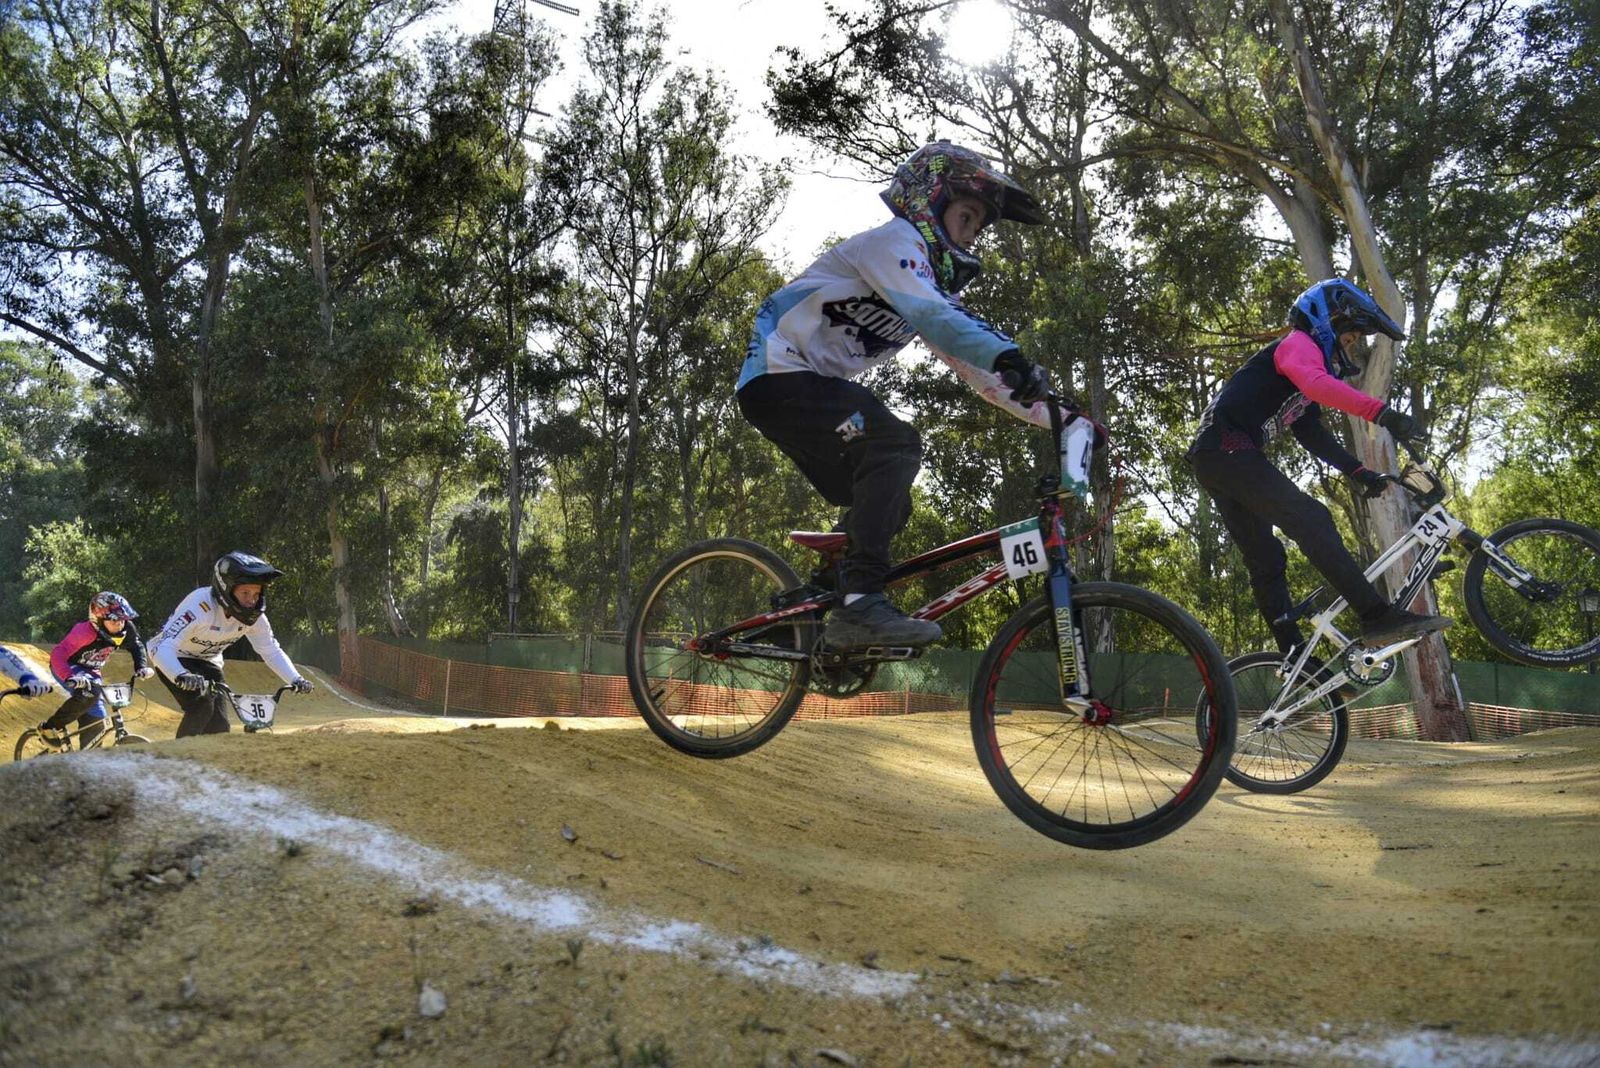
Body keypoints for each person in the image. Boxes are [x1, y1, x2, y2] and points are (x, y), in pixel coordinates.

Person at [737, 140, 1056, 649]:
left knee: (888, 503)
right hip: (779, 376)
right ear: (931, 201)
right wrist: (1008, 353)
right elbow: (937, 317)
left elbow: (977, 370)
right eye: (966, 216)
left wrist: (1061, 416)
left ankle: (805, 613)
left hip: (808, 390)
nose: (970, 235)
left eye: (977, 227)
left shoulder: (928, 283)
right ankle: (861, 603)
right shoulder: (893, 244)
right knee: (894, 444)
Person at [1186, 278, 1452, 655]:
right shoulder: (1296, 344)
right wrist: (1382, 413)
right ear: (1327, 323)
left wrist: (1357, 471)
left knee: (1266, 559)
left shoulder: (1302, 375)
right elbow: (1315, 384)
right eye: (1349, 338)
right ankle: (1375, 615)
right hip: (1227, 449)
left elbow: (1311, 432)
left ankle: (1294, 659)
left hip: (1215, 458)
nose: (1350, 348)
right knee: (1312, 518)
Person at [148, 551, 314, 737]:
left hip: (209, 661)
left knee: (219, 727)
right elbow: (164, 646)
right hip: (173, 656)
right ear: (226, 588)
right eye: (245, 593)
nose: (251, 600)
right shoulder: (200, 606)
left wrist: (296, 679)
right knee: (202, 704)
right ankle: (180, 753)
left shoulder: (255, 618)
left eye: (257, 593)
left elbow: (270, 650)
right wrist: (181, 674)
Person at [36, 592, 153, 750]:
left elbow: (136, 645)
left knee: (98, 719)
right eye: (114, 620)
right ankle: (49, 728)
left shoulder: (127, 629)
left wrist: (141, 667)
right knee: (89, 693)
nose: (120, 624)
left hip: (92, 670)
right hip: (68, 666)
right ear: (98, 620)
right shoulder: (85, 632)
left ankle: (87, 758)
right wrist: (68, 676)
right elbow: (59, 653)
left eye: (123, 619)